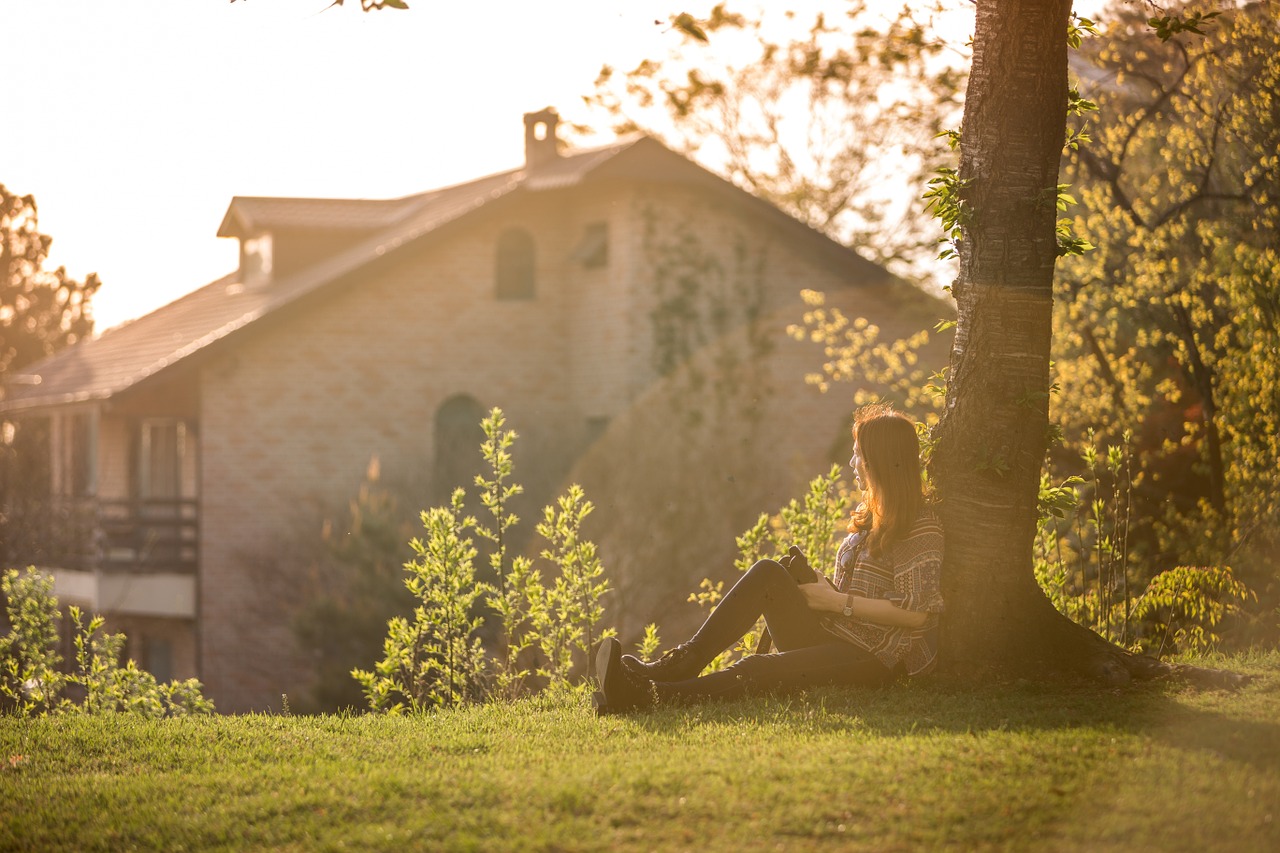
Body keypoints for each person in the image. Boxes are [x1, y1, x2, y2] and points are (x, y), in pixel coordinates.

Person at [594, 403, 944, 714]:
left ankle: (651, 697)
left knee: (759, 668)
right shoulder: (869, 518)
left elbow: (916, 613)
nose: (852, 462)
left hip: (874, 660)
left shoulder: (920, 526)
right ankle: (674, 667)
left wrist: (837, 602)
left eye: (858, 454)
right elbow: (852, 600)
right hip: (837, 637)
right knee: (767, 573)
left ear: (880, 461)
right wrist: (822, 590)